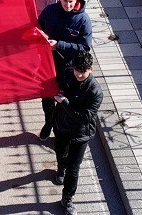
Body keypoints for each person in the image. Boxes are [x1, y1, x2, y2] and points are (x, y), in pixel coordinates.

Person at [51, 53, 105, 214]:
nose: (79, 74)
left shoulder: (96, 92)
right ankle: (60, 168)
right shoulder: (69, 74)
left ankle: (67, 198)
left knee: (73, 168)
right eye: (77, 70)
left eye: (83, 71)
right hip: (62, 126)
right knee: (61, 153)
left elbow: (84, 118)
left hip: (80, 134)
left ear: (91, 69)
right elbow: (58, 84)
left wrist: (65, 102)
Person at [37, 0, 93, 140]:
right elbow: (38, 28)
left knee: (64, 101)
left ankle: (59, 128)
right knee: (47, 98)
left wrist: (59, 45)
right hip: (48, 65)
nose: (68, 5)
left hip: (69, 69)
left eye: (71, 1)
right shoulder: (50, 11)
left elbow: (85, 47)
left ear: (76, 0)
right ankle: (48, 123)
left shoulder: (83, 20)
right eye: (64, 1)